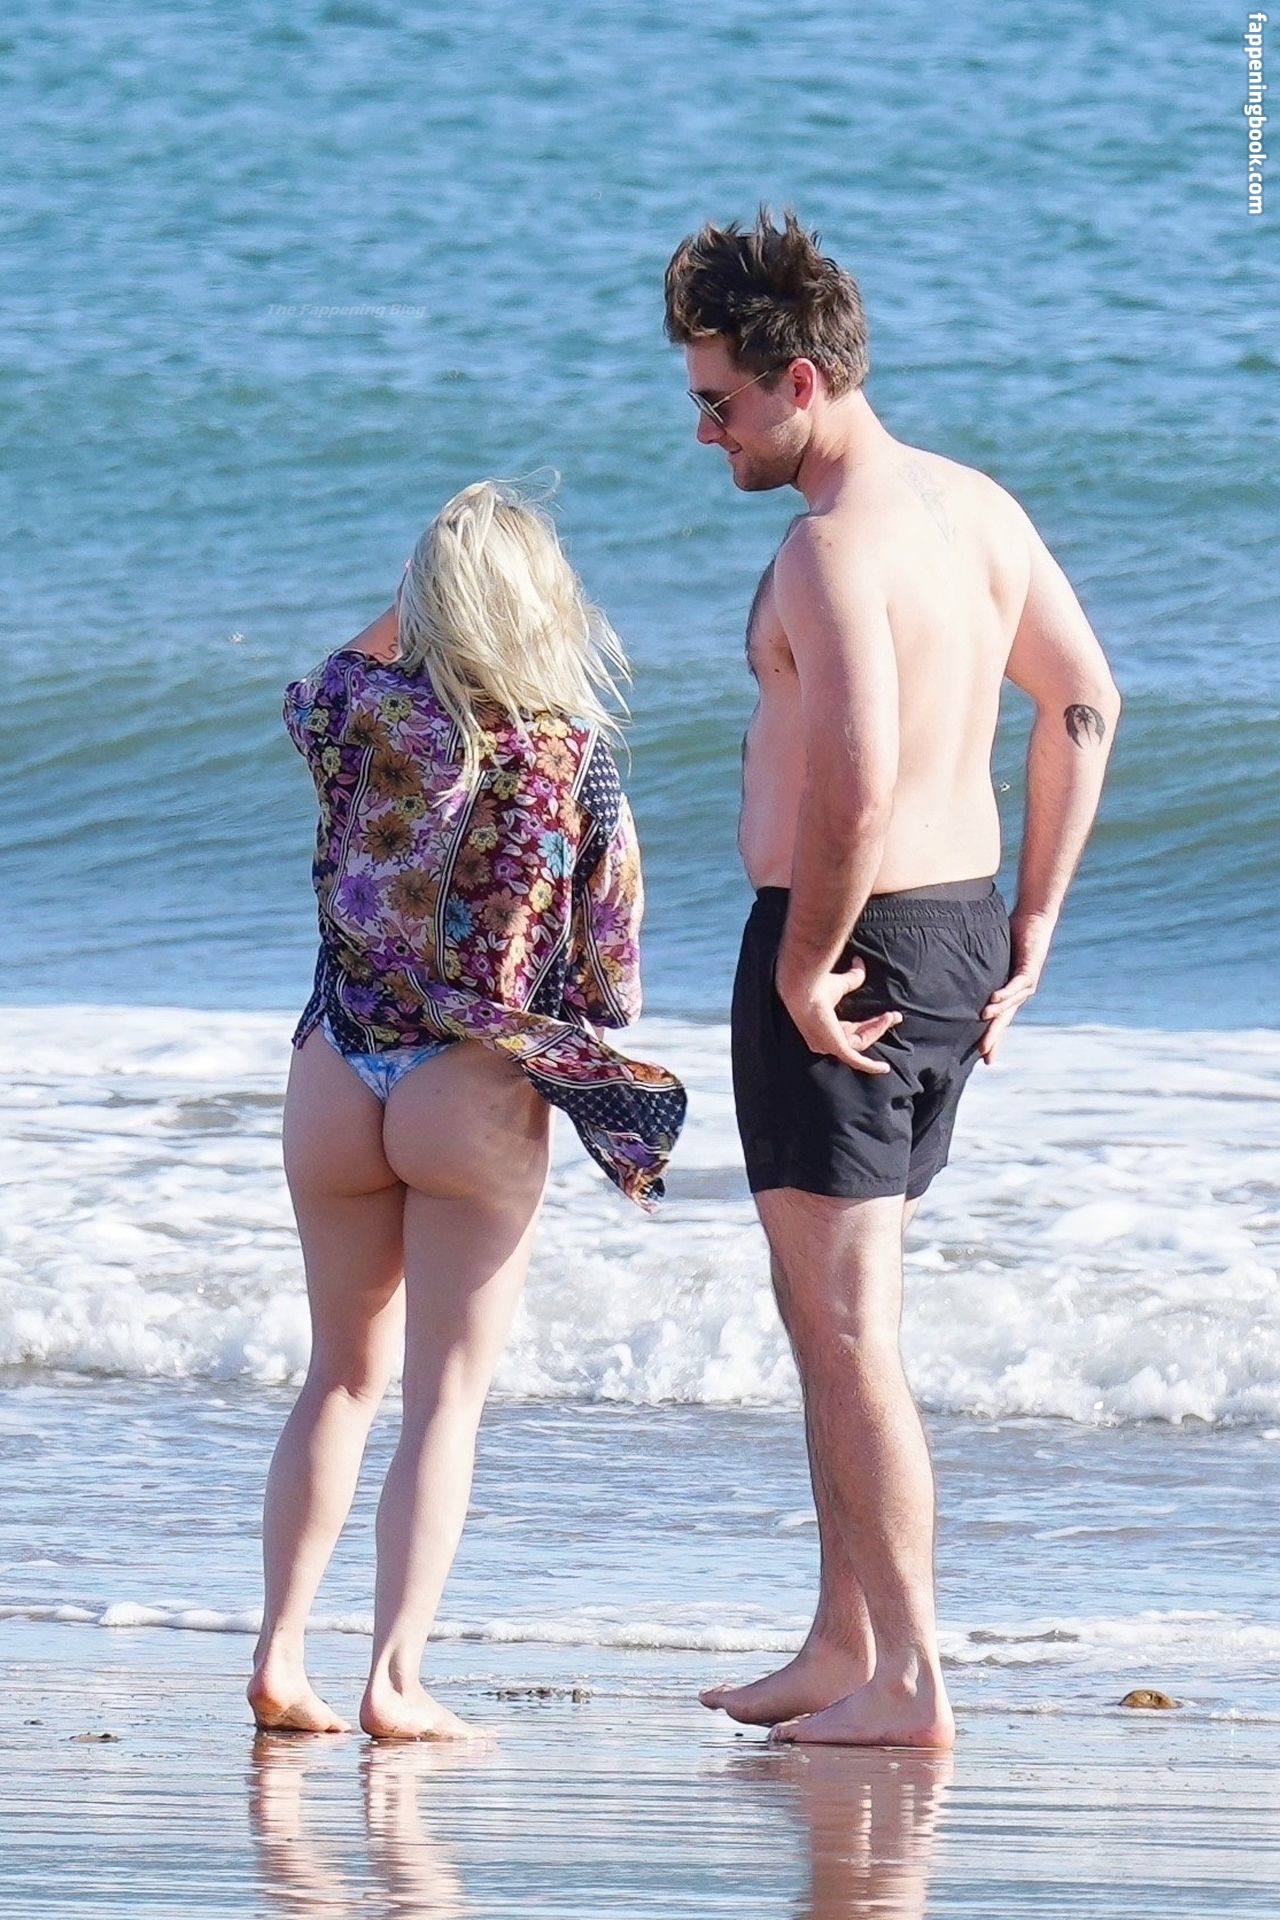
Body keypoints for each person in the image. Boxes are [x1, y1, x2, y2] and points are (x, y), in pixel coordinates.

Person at [664, 209, 1120, 1749]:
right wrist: (1035, 920)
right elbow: (1084, 703)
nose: (707, 432)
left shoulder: (829, 547)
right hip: (955, 928)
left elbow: (853, 780)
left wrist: (803, 967)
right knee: (827, 1309)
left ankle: (913, 1680)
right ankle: (841, 1637)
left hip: (845, 945)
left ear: (800, 381)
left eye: (721, 403)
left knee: (849, 1323)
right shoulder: (977, 509)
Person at [247, 481, 686, 1739]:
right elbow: (611, 977)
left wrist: (415, 593)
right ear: (544, 609)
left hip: (337, 1065)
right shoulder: (574, 759)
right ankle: (393, 1680)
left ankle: (281, 1654)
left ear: (426, 598)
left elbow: (319, 678)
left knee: (339, 1379)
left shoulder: (354, 715)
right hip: (471, 1085)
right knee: (444, 1400)